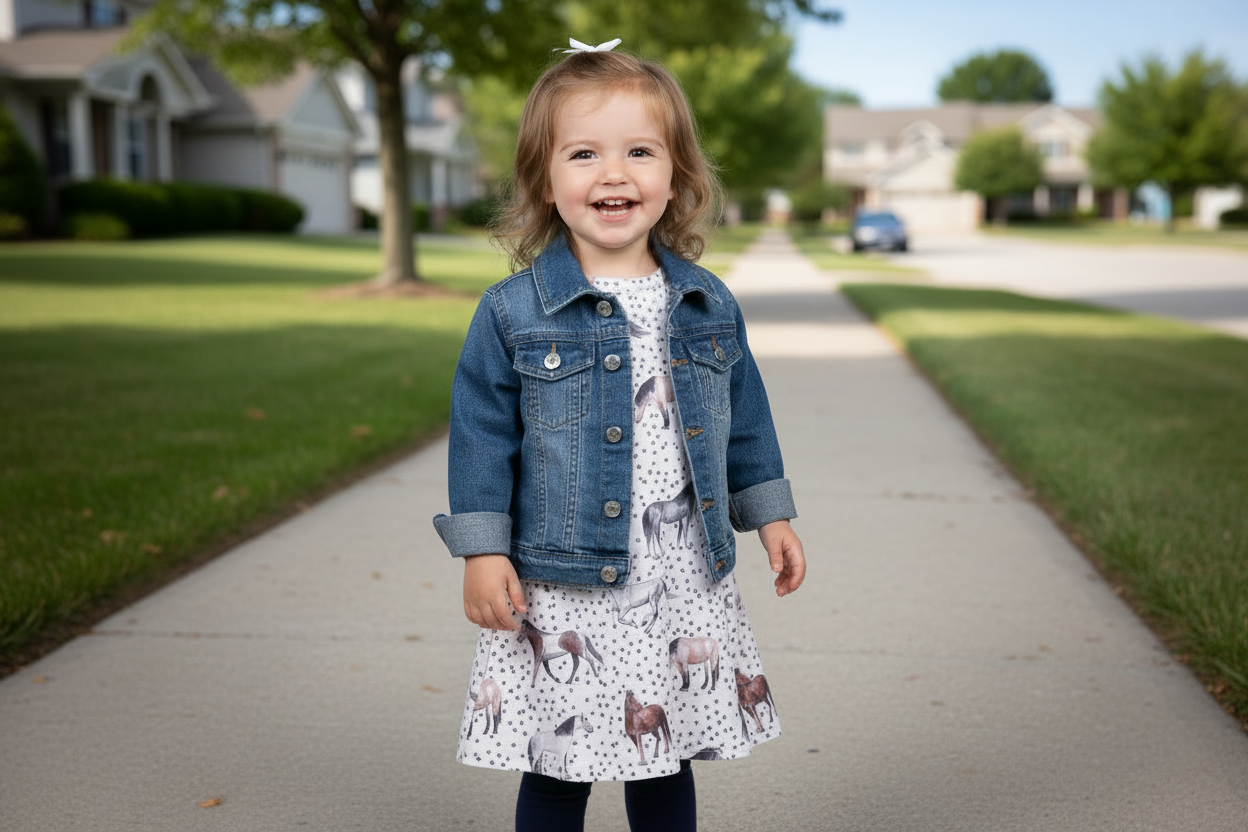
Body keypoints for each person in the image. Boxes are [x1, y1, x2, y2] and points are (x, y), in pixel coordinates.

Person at [433, 37, 806, 832]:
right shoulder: (513, 312)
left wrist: (769, 512)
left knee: (664, 753)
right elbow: (481, 436)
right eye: (583, 153)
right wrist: (481, 550)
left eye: (640, 151)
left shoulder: (706, 302)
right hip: (564, 580)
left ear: (676, 178)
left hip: (679, 578)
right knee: (557, 765)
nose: (614, 174)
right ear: (545, 178)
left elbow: (746, 418)